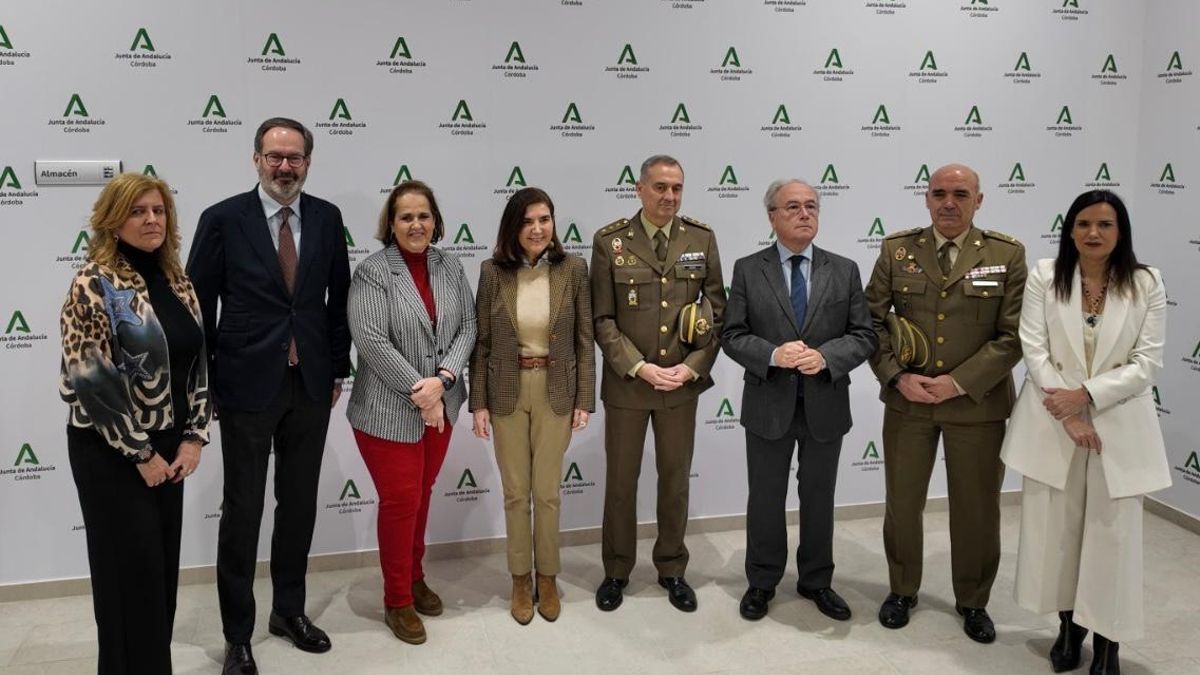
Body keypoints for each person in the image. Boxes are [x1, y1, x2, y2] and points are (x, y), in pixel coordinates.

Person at [187, 117, 351, 674]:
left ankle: (288, 611)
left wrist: (336, 369)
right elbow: (197, 308)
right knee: (243, 511)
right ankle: (238, 634)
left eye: (295, 157)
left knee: (299, 506)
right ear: (256, 159)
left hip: (309, 385)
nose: (285, 167)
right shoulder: (222, 219)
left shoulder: (327, 218)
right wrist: (203, 382)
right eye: (275, 156)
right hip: (243, 385)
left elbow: (337, 300)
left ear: (308, 162)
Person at [1001, 190, 1169, 675]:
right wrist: (1070, 413)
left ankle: (1109, 643)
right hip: (1056, 426)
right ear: (1070, 229)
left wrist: (1088, 396)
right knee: (1060, 535)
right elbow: (1035, 351)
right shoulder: (1045, 276)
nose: (1093, 234)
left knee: (1111, 540)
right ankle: (1070, 629)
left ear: (1121, 232)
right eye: (1083, 224)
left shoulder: (1146, 282)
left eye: (1105, 225)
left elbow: (1147, 362)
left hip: (1119, 428)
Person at [864, 163, 1026, 643]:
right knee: (903, 501)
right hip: (909, 402)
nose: (949, 202)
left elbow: (1013, 335)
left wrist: (958, 382)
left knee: (977, 508)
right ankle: (902, 590)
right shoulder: (897, 250)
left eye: (960, 193)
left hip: (977, 406)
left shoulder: (1007, 253)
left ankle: (973, 600)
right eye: (939, 193)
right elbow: (869, 322)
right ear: (927, 198)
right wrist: (896, 376)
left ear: (980, 200)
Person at [60, 172, 211, 674]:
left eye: (159, 211)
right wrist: (140, 454)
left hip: (170, 449)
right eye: (137, 211)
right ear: (112, 220)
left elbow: (198, 366)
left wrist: (193, 438)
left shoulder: (178, 280)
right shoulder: (92, 283)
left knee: (159, 576)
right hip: (111, 452)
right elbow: (91, 379)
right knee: (127, 579)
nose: (151, 220)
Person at [722, 179, 876, 622]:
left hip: (825, 403)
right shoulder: (749, 269)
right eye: (792, 207)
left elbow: (864, 334)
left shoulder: (844, 269)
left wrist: (826, 357)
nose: (804, 214)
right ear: (772, 216)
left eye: (811, 206)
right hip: (769, 403)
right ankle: (762, 581)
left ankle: (817, 580)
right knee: (765, 498)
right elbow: (732, 334)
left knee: (819, 496)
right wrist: (773, 354)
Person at [590, 154, 726, 613]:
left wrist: (692, 367)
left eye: (677, 188)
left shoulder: (701, 238)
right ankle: (616, 570)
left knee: (674, 481)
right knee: (621, 483)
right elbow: (602, 319)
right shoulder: (610, 242)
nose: (670, 197)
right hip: (630, 386)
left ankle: (672, 568)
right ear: (640, 189)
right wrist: (639, 367)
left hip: (681, 385)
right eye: (661, 187)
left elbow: (718, 314)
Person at [346, 180, 476, 645]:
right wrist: (421, 392)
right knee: (401, 502)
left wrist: (442, 380)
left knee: (421, 495)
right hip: (386, 411)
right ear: (391, 224)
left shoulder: (450, 265)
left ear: (436, 221)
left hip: (441, 405)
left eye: (424, 216)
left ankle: (415, 576)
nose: (416, 224)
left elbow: (468, 326)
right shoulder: (373, 272)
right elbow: (371, 341)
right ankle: (397, 599)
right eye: (406, 217)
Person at [469, 187, 595, 625]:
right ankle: (520, 578)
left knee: (547, 493)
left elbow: (584, 341)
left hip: (557, 389)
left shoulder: (574, 269)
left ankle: (548, 577)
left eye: (544, 219)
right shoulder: (491, 272)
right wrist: (478, 403)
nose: (538, 229)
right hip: (506, 389)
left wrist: (585, 399)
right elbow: (482, 343)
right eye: (527, 221)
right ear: (513, 228)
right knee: (515, 493)